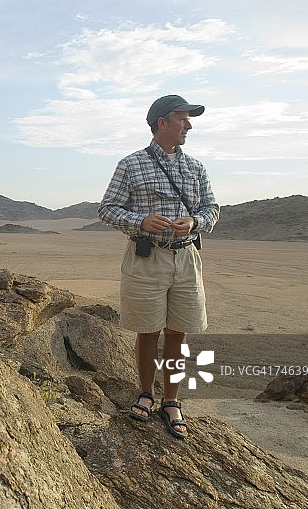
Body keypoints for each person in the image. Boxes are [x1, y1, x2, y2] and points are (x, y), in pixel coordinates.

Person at [97, 95, 219, 439]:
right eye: (182, 119)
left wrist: (195, 222)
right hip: (146, 257)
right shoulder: (131, 164)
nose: (189, 126)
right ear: (161, 123)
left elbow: (212, 208)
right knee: (147, 330)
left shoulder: (196, 168)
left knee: (178, 331)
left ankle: (171, 400)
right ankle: (146, 394)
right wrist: (141, 221)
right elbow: (107, 209)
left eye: (188, 119)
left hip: (185, 257)